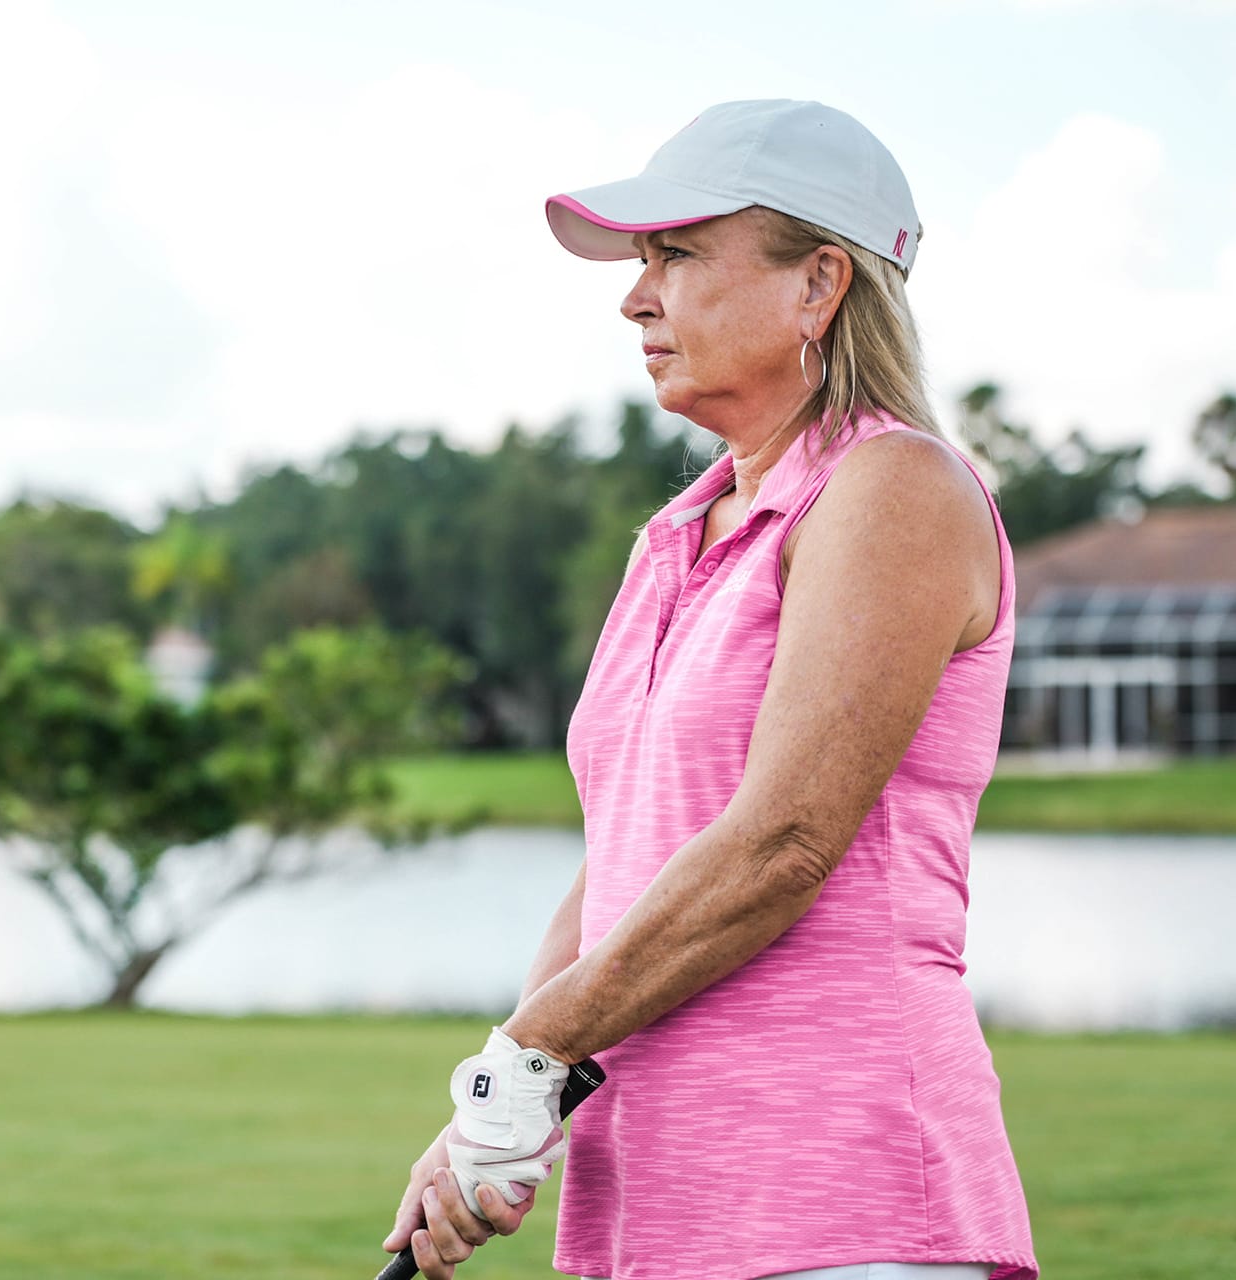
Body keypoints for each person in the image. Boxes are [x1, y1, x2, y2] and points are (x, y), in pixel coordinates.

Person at [381, 100, 1039, 1280]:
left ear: (818, 284)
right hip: (655, 1204)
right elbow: (622, 857)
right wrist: (501, 1097)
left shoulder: (894, 489)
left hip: (844, 1199)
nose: (637, 298)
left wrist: (534, 1049)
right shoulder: (677, 534)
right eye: (642, 261)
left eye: (677, 254)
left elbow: (781, 842)